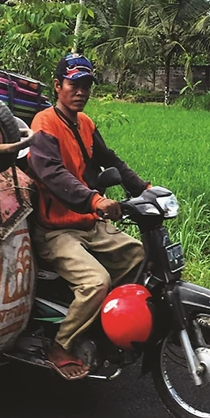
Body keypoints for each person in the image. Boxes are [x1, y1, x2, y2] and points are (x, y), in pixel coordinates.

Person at [27, 54, 150, 380]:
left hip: (87, 222)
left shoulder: (85, 124)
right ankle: (61, 344)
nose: (81, 91)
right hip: (56, 229)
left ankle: (104, 324)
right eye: (74, 84)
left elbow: (110, 159)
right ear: (58, 86)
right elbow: (51, 173)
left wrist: (145, 189)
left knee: (138, 256)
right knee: (96, 281)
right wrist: (94, 200)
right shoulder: (44, 124)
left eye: (86, 85)